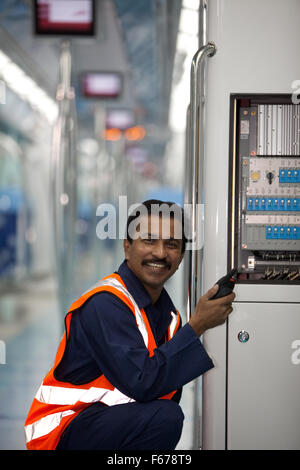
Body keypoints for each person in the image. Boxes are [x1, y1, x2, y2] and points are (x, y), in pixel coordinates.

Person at [24, 199, 235, 450]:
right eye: (149, 240)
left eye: (171, 245)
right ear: (127, 247)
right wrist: (198, 325)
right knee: (164, 418)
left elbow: (162, 385)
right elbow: (142, 383)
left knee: (164, 413)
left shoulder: (166, 314)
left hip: (100, 422)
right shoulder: (106, 303)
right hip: (61, 431)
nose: (159, 253)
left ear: (180, 258)